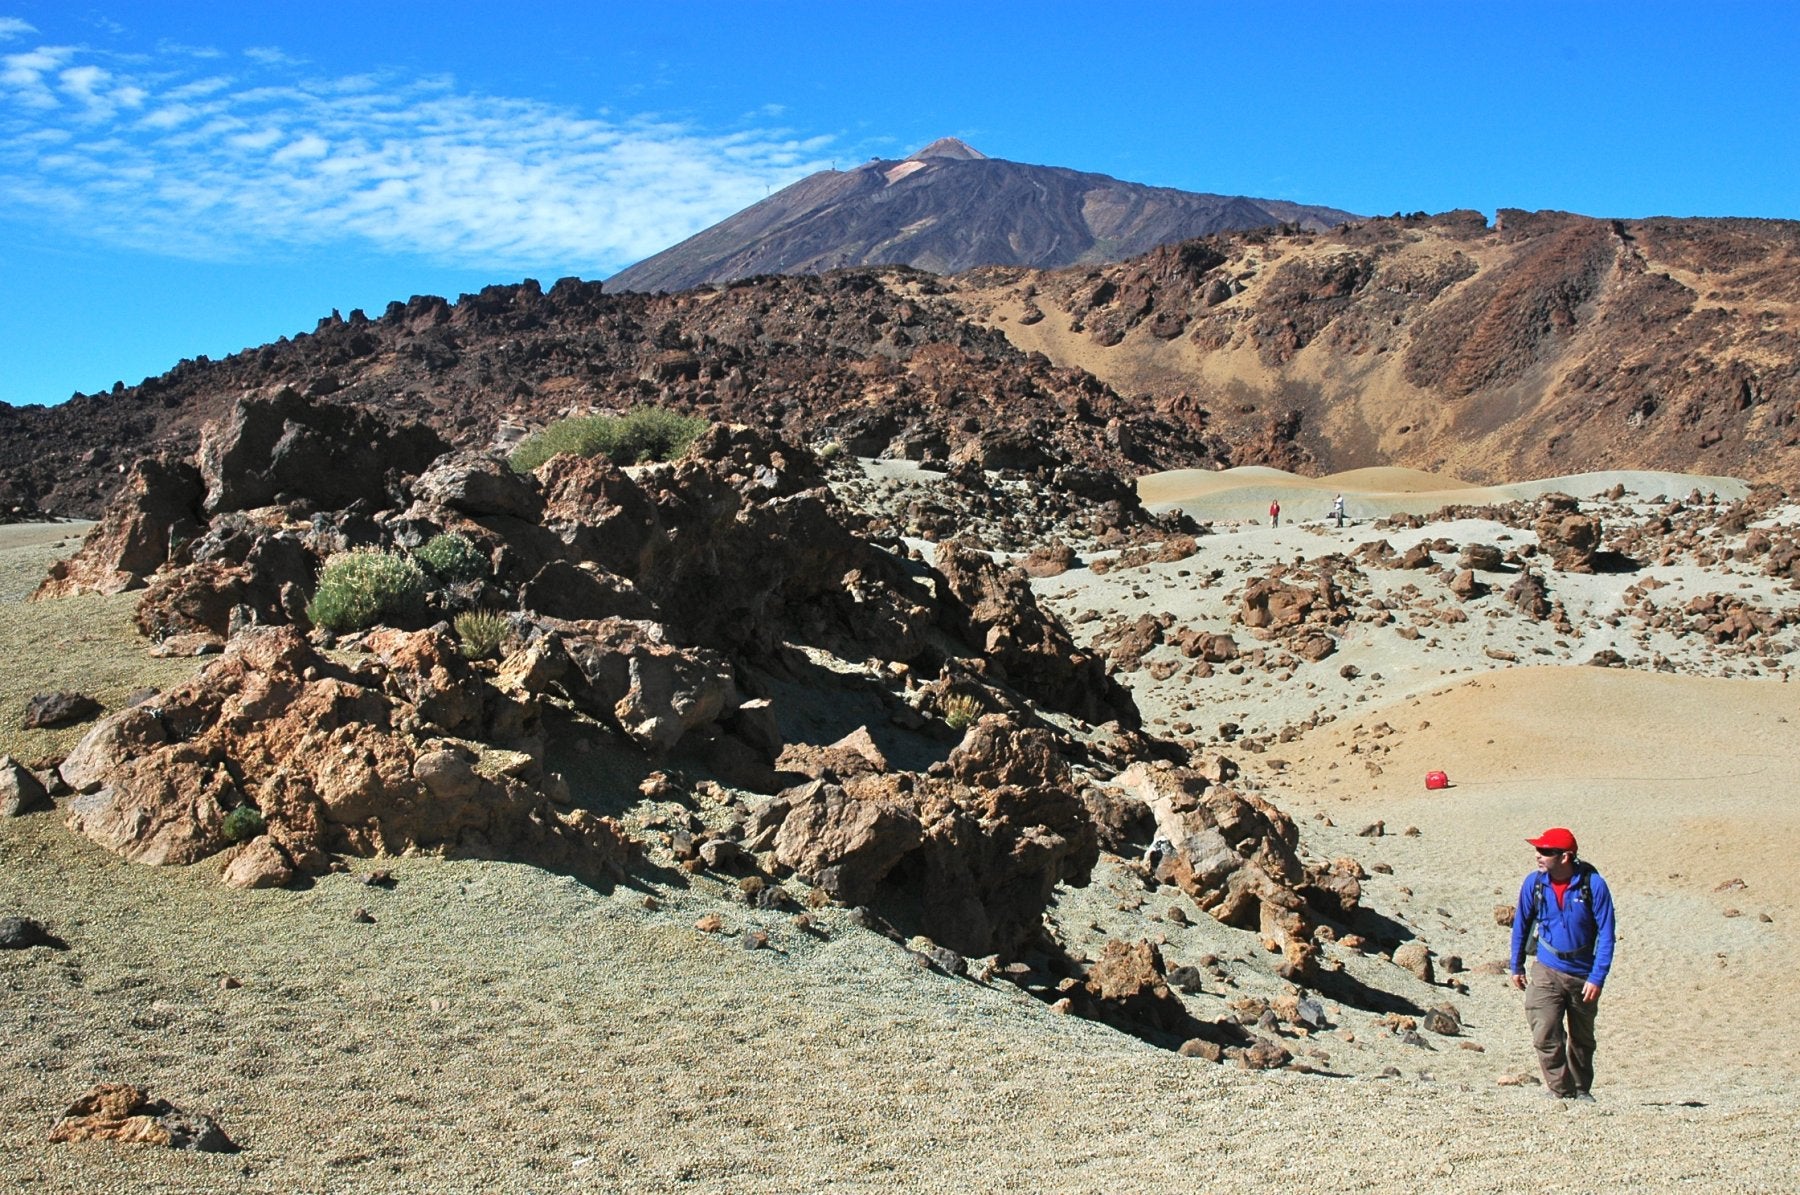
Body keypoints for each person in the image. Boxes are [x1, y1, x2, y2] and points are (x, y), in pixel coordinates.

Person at [1509, 827, 1616, 1101]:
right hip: (1546, 969)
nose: (1538, 856)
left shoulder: (1594, 886)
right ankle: (1560, 1091)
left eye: (1545, 852)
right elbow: (1520, 924)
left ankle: (1581, 1090)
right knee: (1544, 1031)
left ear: (1566, 857)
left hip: (1583, 975)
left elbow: (1606, 934)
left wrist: (1597, 977)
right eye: (1538, 850)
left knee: (1582, 1040)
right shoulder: (1533, 884)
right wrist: (1516, 965)